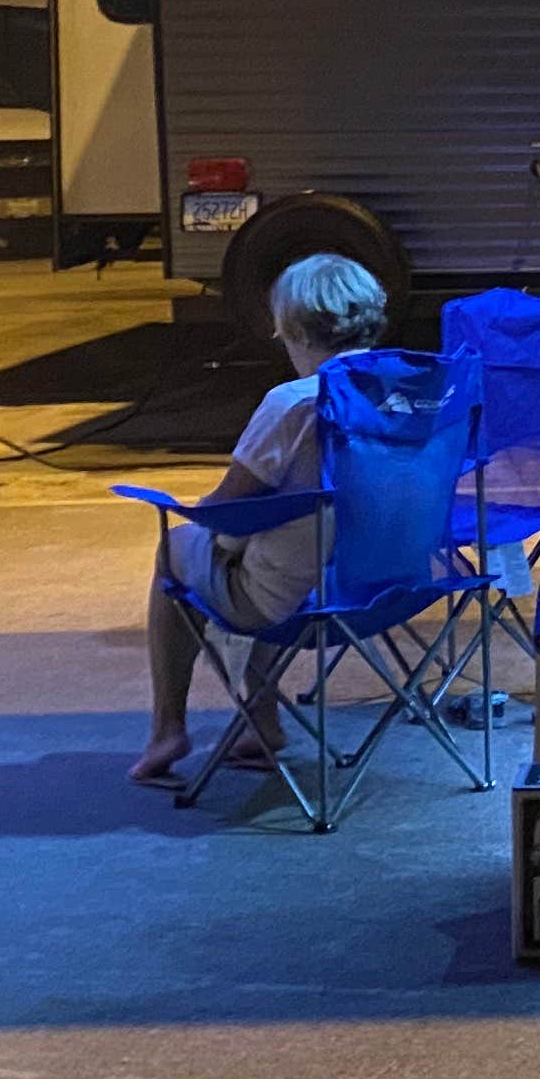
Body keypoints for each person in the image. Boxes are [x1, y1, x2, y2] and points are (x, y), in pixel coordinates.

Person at [133, 251, 395, 785]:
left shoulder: (294, 405)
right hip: (386, 587)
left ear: (293, 328)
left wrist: (190, 514)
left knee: (183, 551)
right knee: (272, 548)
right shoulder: (406, 391)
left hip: (289, 602)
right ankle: (262, 722)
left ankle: (168, 728)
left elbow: (227, 511)